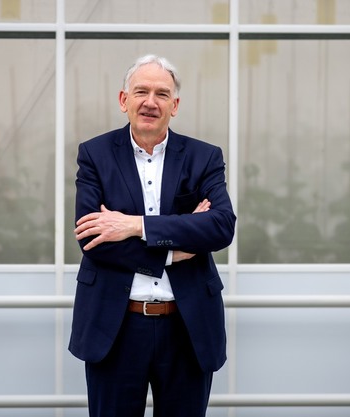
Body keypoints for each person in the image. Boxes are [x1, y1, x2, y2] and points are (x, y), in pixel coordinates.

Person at [68, 54, 236, 417]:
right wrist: (174, 250)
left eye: (162, 94)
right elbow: (91, 239)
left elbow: (221, 226)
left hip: (187, 327)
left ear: (174, 106)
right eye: (141, 91)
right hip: (116, 327)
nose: (150, 102)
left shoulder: (204, 157)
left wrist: (134, 226)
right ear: (123, 99)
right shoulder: (95, 154)